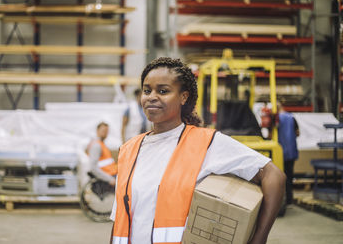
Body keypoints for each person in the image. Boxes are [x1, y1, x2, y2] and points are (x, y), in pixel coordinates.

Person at [110, 57, 286, 244]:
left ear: (183, 97)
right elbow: (120, 217)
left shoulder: (205, 143)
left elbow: (273, 176)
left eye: (163, 91)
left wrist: (259, 238)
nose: (152, 96)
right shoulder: (129, 149)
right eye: (147, 90)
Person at [277, 102, 300, 205]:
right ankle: (289, 200)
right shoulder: (291, 117)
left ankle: (282, 200)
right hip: (291, 152)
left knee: (280, 177)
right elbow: (298, 133)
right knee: (289, 176)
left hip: (279, 151)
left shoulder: (276, 119)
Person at [86, 122, 117, 186]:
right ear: (97, 131)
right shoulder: (96, 145)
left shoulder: (102, 144)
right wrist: (109, 179)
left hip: (113, 173)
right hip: (109, 176)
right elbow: (93, 167)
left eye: (107, 131)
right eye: (103, 131)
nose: (105, 133)